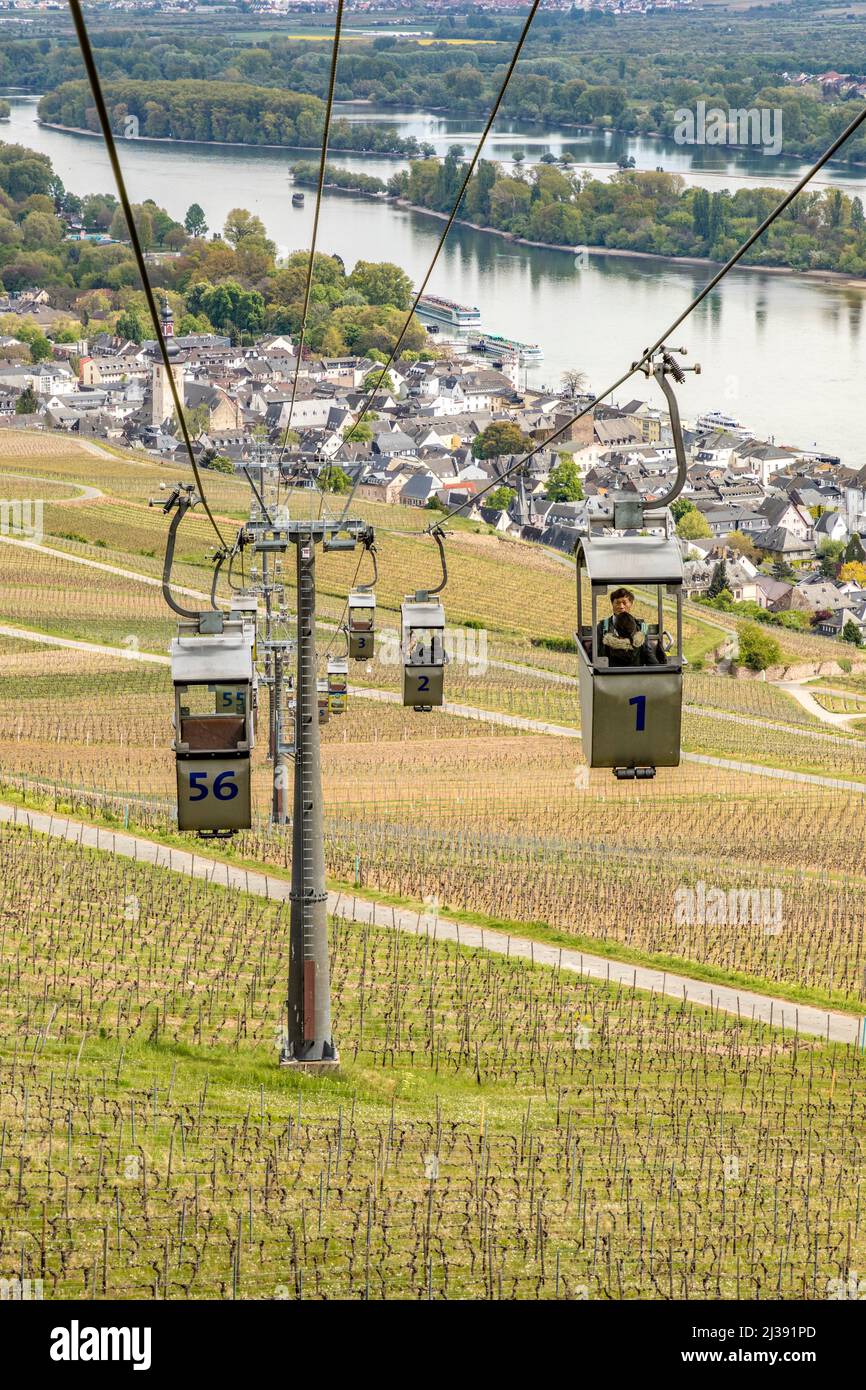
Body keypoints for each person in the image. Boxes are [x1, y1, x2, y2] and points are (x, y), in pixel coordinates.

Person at [596, 588, 665, 666]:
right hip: (611, 673)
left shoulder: (641, 626)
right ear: (612, 604)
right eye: (617, 603)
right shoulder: (603, 626)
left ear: (631, 604)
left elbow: (646, 651)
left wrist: (659, 670)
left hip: (636, 672)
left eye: (624, 603)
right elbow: (597, 653)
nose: (621, 606)